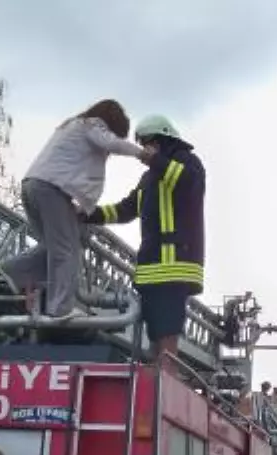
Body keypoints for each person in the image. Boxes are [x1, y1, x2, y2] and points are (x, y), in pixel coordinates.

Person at [0, 99, 153, 321]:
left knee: (52, 247)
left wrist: (80, 204)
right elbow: (109, 143)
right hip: (51, 189)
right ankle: (60, 309)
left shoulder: (72, 126)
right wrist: (141, 154)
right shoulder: (93, 125)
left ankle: (8, 273)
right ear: (111, 123)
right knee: (66, 250)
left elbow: (70, 165)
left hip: (33, 186)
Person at [83, 113, 205, 369]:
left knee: (167, 328)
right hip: (151, 268)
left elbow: (186, 182)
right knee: (154, 330)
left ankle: (166, 378)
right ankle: (155, 375)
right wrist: (89, 213)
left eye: (149, 143)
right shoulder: (149, 179)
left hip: (175, 265)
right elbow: (125, 210)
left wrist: (157, 161)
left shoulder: (188, 162)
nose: (144, 151)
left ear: (163, 140)